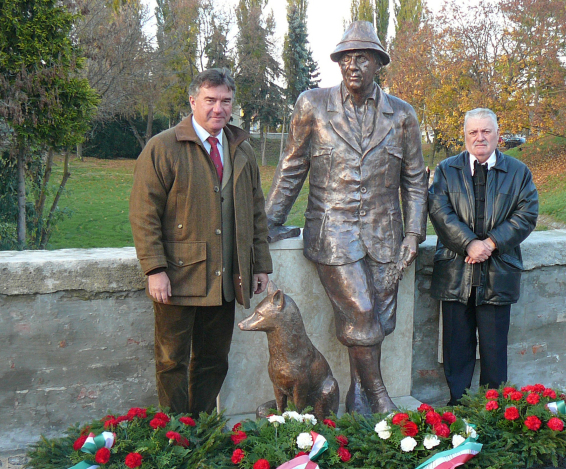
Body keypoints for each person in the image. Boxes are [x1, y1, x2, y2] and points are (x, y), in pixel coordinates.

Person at [265, 21, 427, 416]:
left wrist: (412, 233)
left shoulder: (402, 115)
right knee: (362, 311)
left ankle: (356, 400)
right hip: (333, 231)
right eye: (345, 59)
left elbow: (416, 181)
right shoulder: (313, 105)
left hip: (386, 236)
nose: (353, 66)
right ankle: (379, 396)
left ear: (377, 63)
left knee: (379, 324)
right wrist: (266, 223)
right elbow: (291, 168)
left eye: (362, 58)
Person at [129, 68, 273, 416]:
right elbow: (143, 213)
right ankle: (176, 435)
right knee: (171, 361)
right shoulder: (162, 148)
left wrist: (261, 266)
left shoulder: (242, 150)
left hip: (226, 277)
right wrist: (155, 268)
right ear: (193, 101)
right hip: (176, 278)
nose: (218, 109)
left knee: (213, 360)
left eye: (225, 101)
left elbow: (256, 214)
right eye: (210, 100)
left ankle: (202, 428)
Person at [428, 108, 538, 405]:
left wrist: (490, 243)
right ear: (465, 136)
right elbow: (439, 211)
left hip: (497, 273)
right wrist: (468, 244)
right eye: (473, 132)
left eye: (486, 131)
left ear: (497, 135)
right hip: (455, 272)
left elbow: (527, 214)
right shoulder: (446, 170)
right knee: (456, 349)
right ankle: (459, 410)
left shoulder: (518, 172)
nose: (480, 137)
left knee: (493, 350)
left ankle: (492, 410)